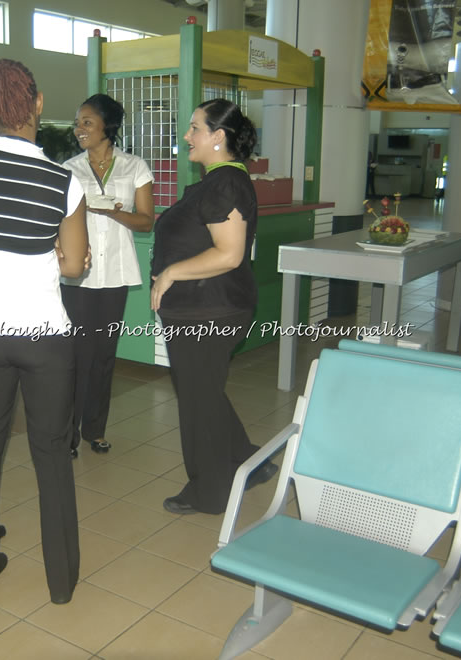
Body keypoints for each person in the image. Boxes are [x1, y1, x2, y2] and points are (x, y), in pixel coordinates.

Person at [0, 59, 88, 602]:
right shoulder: (63, 180)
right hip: (42, 336)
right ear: (38, 104)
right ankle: (60, 582)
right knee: (51, 453)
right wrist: (60, 252)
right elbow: (75, 266)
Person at [150, 98, 278, 516]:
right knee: (202, 391)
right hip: (202, 307)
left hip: (209, 311)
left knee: (197, 403)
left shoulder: (225, 183)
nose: (187, 136)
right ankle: (247, 460)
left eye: (194, 128)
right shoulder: (220, 181)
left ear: (218, 136)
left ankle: (210, 492)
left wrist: (169, 274)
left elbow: (229, 254)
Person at [61, 94, 154, 458]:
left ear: (107, 127)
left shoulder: (135, 167)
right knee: (76, 356)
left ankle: (94, 430)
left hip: (115, 272)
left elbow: (146, 220)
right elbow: (59, 219)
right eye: (78, 123)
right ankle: (67, 433)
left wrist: (113, 213)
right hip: (78, 274)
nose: (79, 129)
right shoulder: (69, 168)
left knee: (103, 356)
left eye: (86, 122)